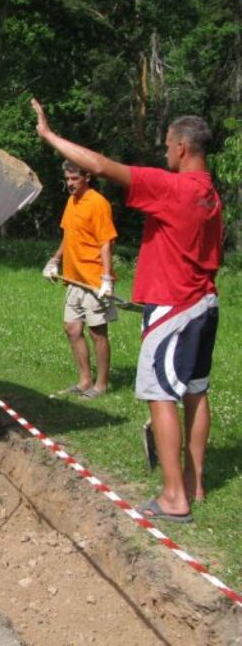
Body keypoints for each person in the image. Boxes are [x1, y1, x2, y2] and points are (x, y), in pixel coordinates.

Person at [32, 98, 222, 523]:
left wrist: (48, 136)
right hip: (204, 303)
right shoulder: (211, 195)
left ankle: (174, 497)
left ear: (182, 149)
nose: (165, 153)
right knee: (195, 391)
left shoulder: (174, 189)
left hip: (174, 307)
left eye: (168, 146)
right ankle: (194, 481)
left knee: (160, 396)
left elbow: (99, 166)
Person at [42, 160, 118, 399]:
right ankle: (85, 380)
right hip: (73, 279)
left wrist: (106, 278)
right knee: (72, 329)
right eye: (67, 179)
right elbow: (69, 236)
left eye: (74, 179)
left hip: (93, 280)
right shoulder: (71, 202)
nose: (70, 184)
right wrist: (54, 261)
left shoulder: (98, 203)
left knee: (97, 332)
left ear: (87, 177)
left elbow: (107, 241)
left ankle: (101, 385)